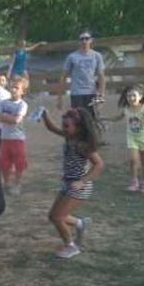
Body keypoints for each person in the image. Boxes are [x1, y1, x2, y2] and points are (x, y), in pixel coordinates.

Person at [41, 107, 104, 259]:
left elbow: (99, 165)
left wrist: (82, 181)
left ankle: (71, 246)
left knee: (58, 217)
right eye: (63, 125)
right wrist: (44, 115)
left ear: (79, 127)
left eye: (67, 126)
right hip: (68, 184)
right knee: (53, 216)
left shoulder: (82, 145)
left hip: (80, 187)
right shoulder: (69, 137)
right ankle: (81, 224)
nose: (64, 129)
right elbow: (51, 128)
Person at [102, 84, 144, 193]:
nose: (131, 98)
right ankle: (134, 181)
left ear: (140, 97)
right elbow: (117, 118)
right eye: (129, 96)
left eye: (134, 95)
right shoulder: (126, 109)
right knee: (133, 160)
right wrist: (104, 118)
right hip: (132, 137)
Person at [57, 30, 106, 119]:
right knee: (78, 120)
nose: (84, 41)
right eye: (82, 39)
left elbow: (101, 76)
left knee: (92, 119)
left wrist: (101, 96)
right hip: (77, 93)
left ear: (91, 40)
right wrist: (59, 98)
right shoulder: (72, 57)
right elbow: (63, 77)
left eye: (86, 39)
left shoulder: (97, 56)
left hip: (92, 93)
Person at [0, 77, 29, 195]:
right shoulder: (2, 103)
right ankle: (6, 183)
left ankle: (17, 184)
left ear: (22, 91)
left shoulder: (22, 104)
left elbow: (17, 120)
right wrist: (8, 117)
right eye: (12, 87)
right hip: (5, 138)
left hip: (18, 139)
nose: (13, 89)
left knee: (19, 162)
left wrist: (4, 116)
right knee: (4, 162)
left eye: (17, 88)